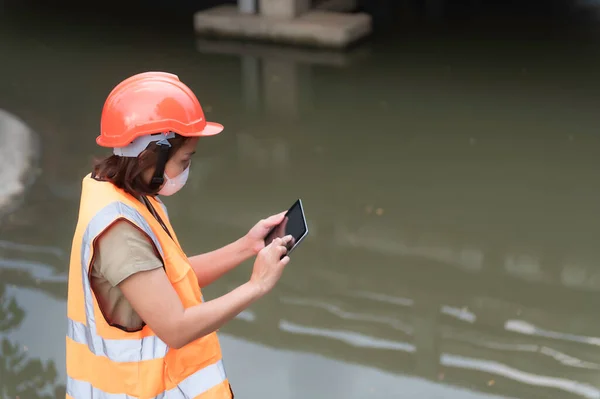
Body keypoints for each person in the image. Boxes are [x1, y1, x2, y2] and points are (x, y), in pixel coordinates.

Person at [65, 71, 292, 399]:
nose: (186, 169)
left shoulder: (128, 196)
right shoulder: (120, 232)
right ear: (148, 156)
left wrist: (246, 246)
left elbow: (170, 280)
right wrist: (256, 286)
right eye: (184, 159)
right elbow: (176, 327)